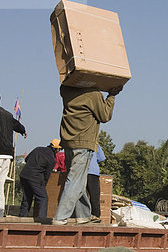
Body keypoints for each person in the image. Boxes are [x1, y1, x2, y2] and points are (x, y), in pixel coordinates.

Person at [52, 85, 122, 225]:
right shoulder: (93, 95)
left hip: (68, 141)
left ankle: (84, 215)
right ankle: (60, 217)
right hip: (83, 143)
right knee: (75, 180)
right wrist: (111, 95)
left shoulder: (66, 91)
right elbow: (105, 115)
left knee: (79, 180)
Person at [18, 139, 63, 221]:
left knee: (27, 198)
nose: (59, 151)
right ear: (56, 149)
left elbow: (26, 159)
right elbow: (47, 175)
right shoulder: (52, 159)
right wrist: (43, 185)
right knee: (43, 198)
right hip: (35, 178)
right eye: (59, 149)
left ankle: (22, 218)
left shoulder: (38, 149)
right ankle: (42, 220)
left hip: (24, 175)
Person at [84, 145, 105, 221]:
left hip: (80, 172)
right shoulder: (95, 144)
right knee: (94, 195)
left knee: (81, 195)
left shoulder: (79, 143)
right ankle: (95, 215)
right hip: (93, 172)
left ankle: (83, 215)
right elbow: (100, 158)